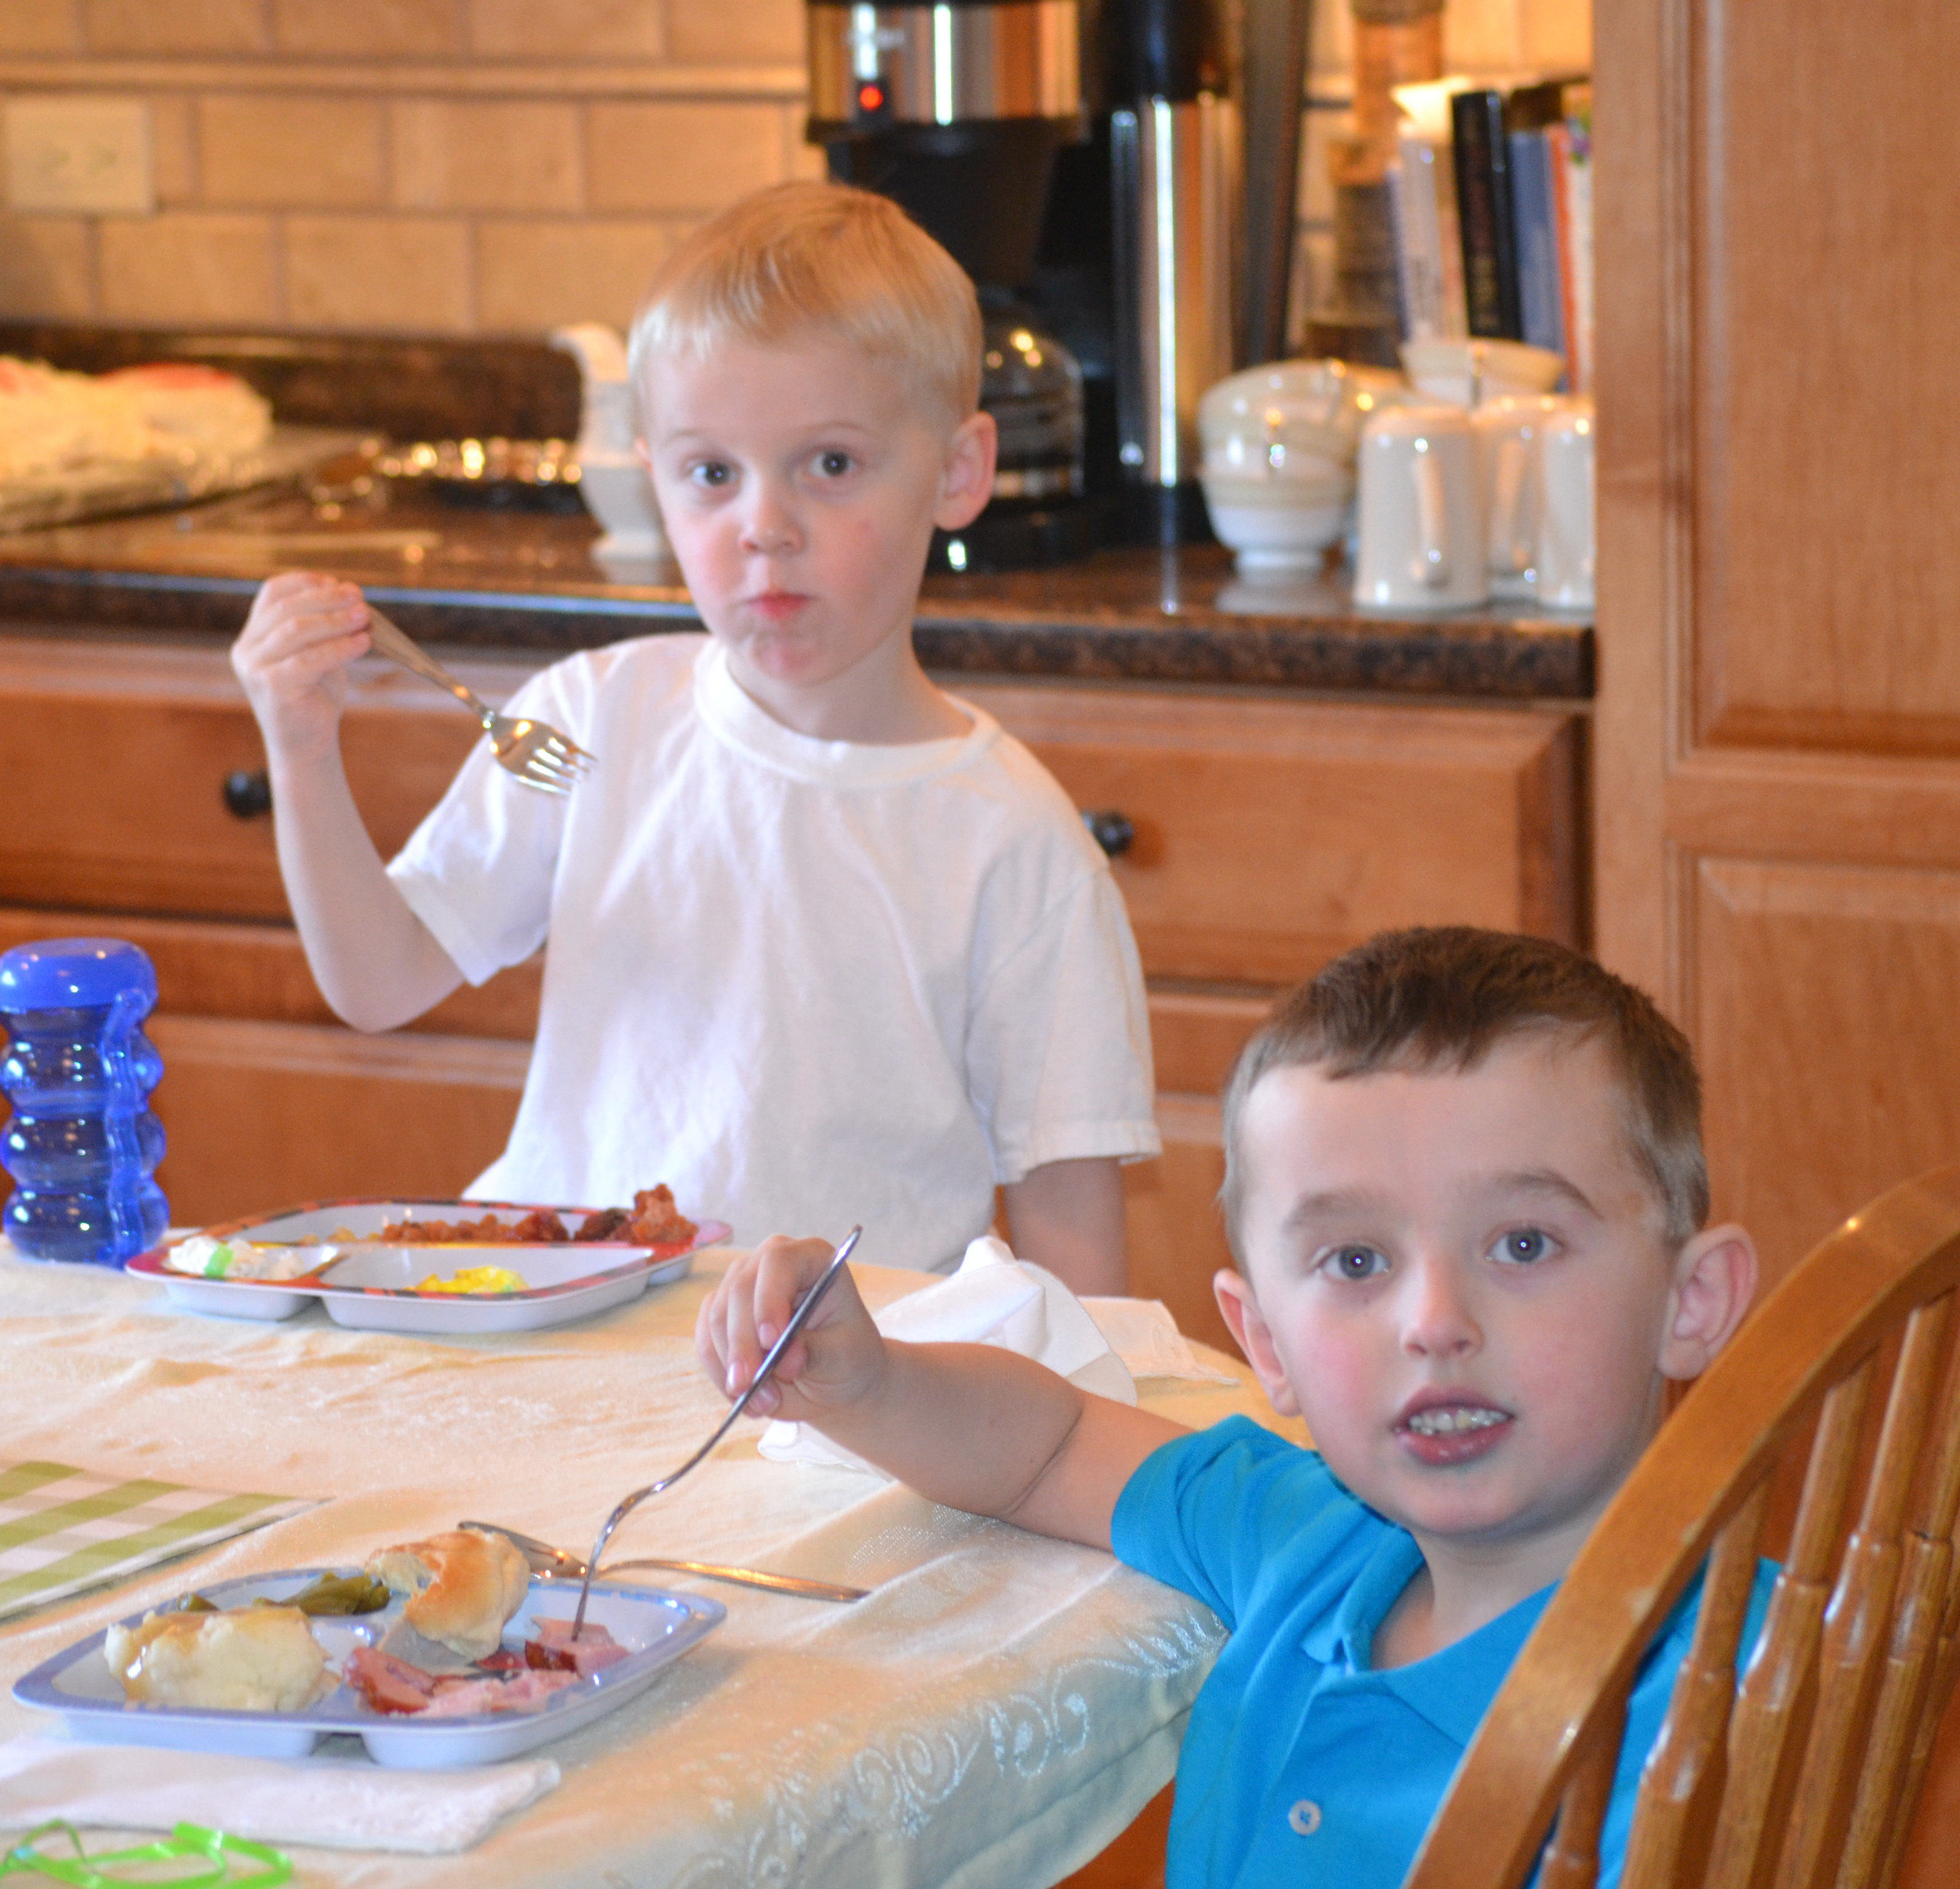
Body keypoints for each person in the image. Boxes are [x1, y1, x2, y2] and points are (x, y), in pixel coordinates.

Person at [699, 925, 1769, 1887]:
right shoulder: (1308, 1539)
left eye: (1523, 1245)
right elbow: (1053, 1446)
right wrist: (870, 1384)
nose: (1435, 1322)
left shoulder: (1752, 1703)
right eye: (1356, 1261)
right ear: (1264, 1343)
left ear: (1692, 1303)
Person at [230, 181, 1159, 1288]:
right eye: (713, 473)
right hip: (562, 1327)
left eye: (830, 464)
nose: (764, 527)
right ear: (655, 480)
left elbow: (1074, 1243)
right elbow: (381, 979)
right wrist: (301, 749)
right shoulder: (589, 723)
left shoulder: (1015, 843)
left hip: (848, 1373)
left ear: (958, 473)